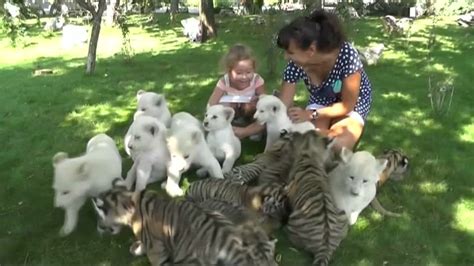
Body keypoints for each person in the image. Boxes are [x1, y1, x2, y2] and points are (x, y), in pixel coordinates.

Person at [276, 9, 373, 151]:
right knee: (309, 145)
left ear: (311, 50)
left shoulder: (347, 55)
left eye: (290, 52)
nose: (286, 57)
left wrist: (310, 115)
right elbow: (283, 104)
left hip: (352, 103)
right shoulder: (297, 63)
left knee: (337, 146)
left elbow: (347, 106)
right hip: (321, 100)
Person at [207, 44, 266, 139]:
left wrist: (257, 101)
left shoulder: (256, 80)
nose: (244, 77)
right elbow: (212, 103)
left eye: (248, 72)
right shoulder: (224, 82)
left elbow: (265, 100)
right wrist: (211, 117)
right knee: (225, 106)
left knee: (254, 106)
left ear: (254, 69)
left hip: (250, 111)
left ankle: (254, 128)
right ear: (229, 71)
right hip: (232, 112)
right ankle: (227, 127)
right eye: (239, 73)